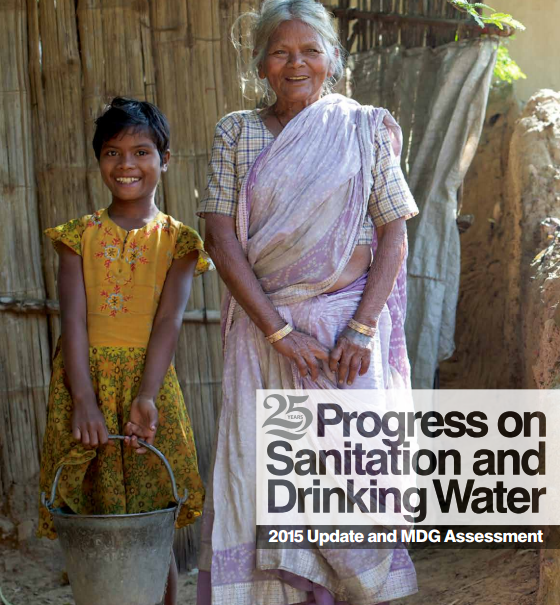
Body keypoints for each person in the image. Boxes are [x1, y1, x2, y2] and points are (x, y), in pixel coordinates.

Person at [196, 0, 420, 604]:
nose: (296, 63)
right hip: (267, 338)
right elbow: (219, 234)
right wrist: (279, 334)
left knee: (354, 480)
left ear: (333, 62)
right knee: (276, 486)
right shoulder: (236, 132)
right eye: (280, 51)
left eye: (310, 50)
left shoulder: (364, 126)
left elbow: (395, 230)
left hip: (346, 336)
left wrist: (362, 329)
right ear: (261, 66)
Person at [37, 97, 212, 605]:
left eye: (141, 152)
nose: (127, 165)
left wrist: (147, 396)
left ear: (165, 159)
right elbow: (72, 322)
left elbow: (167, 322)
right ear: (98, 161)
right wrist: (85, 401)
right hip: (84, 381)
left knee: (151, 510)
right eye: (112, 153)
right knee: (94, 510)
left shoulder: (180, 242)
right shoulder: (77, 237)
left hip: (148, 384)